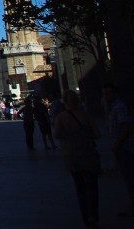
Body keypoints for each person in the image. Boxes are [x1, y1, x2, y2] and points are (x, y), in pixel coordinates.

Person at [52, 90, 100, 228]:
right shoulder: (85, 115)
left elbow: (56, 134)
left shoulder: (61, 117)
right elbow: (97, 133)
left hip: (71, 153)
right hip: (88, 153)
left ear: (64, 102)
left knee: (80, 187)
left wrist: (69, 137)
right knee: (92, 186)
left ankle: (85, 217)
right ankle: (94, 215)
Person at [102, 83, 134, 219]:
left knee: (130, 178)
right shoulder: (113, 107)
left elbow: (126, 127)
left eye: (108, 94)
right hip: (120, 147)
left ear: (116, 94)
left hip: (124, 147)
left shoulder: (119, 108)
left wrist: (118, 144)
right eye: (104, 94)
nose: (105, 97)